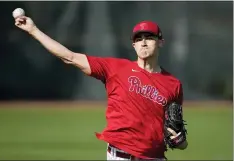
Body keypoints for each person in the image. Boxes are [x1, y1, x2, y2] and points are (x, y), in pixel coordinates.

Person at [14, 15, 188, 160]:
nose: (143, 42)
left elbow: (177, 133)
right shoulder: (115, 68)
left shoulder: (173, 84)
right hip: (120, 156)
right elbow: (70, 57)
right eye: (138, 39)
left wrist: (181, 141)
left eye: (149, 37)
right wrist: (33, 30)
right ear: (133, 45)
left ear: (161, 42)